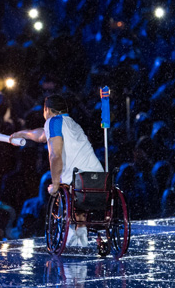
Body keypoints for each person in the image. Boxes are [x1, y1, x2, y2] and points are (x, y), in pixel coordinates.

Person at [10, 94, 103, 247]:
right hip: (99, 180)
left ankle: (74, 231)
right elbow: (41, 135)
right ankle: (81, 228)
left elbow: (55, 155)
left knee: (61, 190)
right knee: (77, 196)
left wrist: (55, 184)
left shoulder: (53, 121)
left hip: (78, 180)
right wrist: (21, 134)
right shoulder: (71, 123)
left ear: (46, 109)